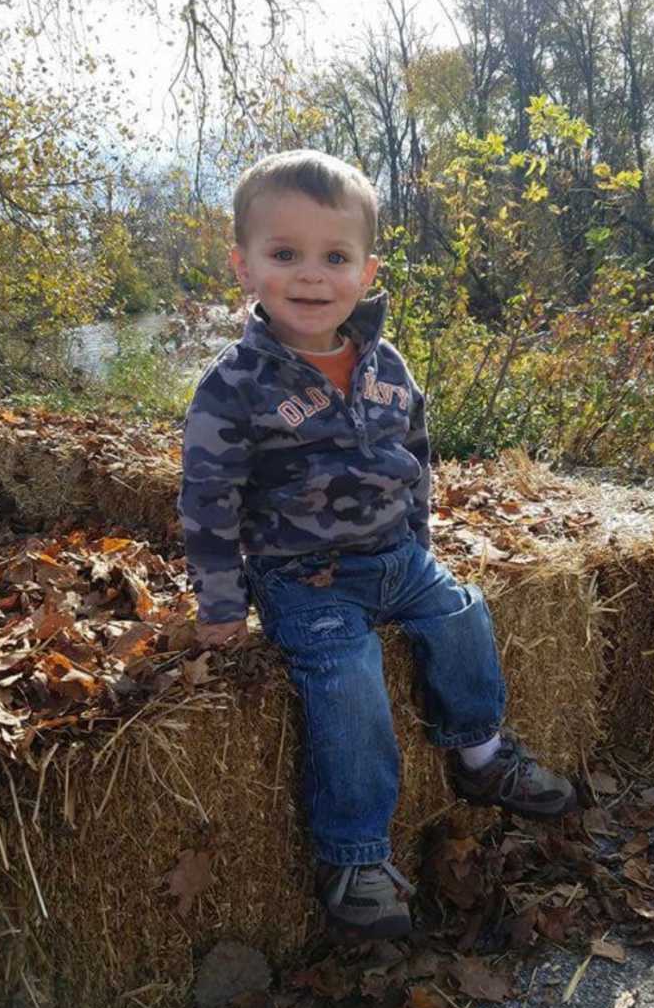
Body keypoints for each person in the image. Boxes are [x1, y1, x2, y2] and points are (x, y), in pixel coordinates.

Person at [178, 149, 576, 939]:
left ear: (366, 270)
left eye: (335, 257)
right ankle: (354, 854)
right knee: (349, 675)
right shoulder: (235, 385)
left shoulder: (386, 363)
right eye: (284, 254)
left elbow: (415, 456)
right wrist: (222, 600)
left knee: (463, 612)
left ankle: (481, 753)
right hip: (305, 576)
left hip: (397, 556)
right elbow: (208, 496)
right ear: (244, 265)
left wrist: (420, 543)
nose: (311, 276)